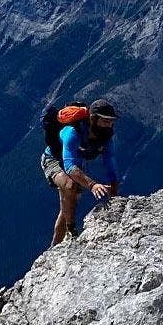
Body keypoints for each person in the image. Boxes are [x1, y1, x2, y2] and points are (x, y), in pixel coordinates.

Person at [42, 97, 119, 246]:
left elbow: (110, 162)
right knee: (71, 186)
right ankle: (72, 231)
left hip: (75, 164)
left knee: (67, 206)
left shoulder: (106, 138)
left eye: (111, 122)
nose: (109, 126)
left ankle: (54, 246)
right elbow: (69, 167)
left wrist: (114, 188)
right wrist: (92, 185)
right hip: (53, 160)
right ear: (93, 118)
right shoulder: (72, 132)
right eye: (105, 121)